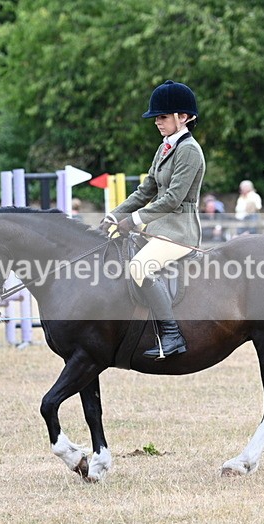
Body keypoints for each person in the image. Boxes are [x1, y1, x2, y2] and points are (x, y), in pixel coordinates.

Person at [99, 80, 205, 360]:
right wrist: (115, 214)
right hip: (158, 228)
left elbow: (172, 198)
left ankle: (171, 335)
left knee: (140, 267)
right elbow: (146, 190)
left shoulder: (189, 150)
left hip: (180, 230)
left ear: (183, 117)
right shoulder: (165, 148)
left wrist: (132, 220)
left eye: (162, 116)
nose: (157, 122)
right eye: (157, 117)